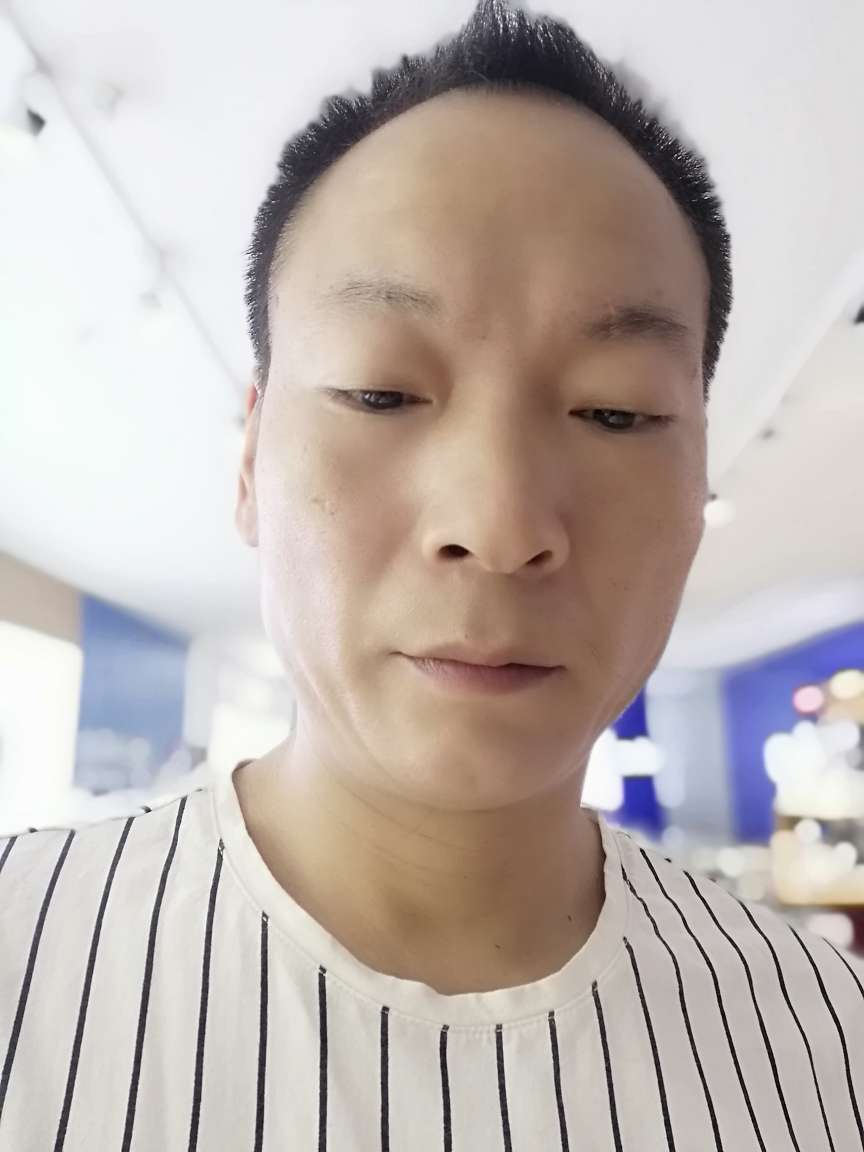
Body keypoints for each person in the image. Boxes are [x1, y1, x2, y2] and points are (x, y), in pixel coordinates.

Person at [2, 1, 862, 1148]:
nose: (499, 525)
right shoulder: (24, 954)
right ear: (251, 462)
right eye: (380, 393)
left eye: (615, 411)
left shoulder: (826, 1037)